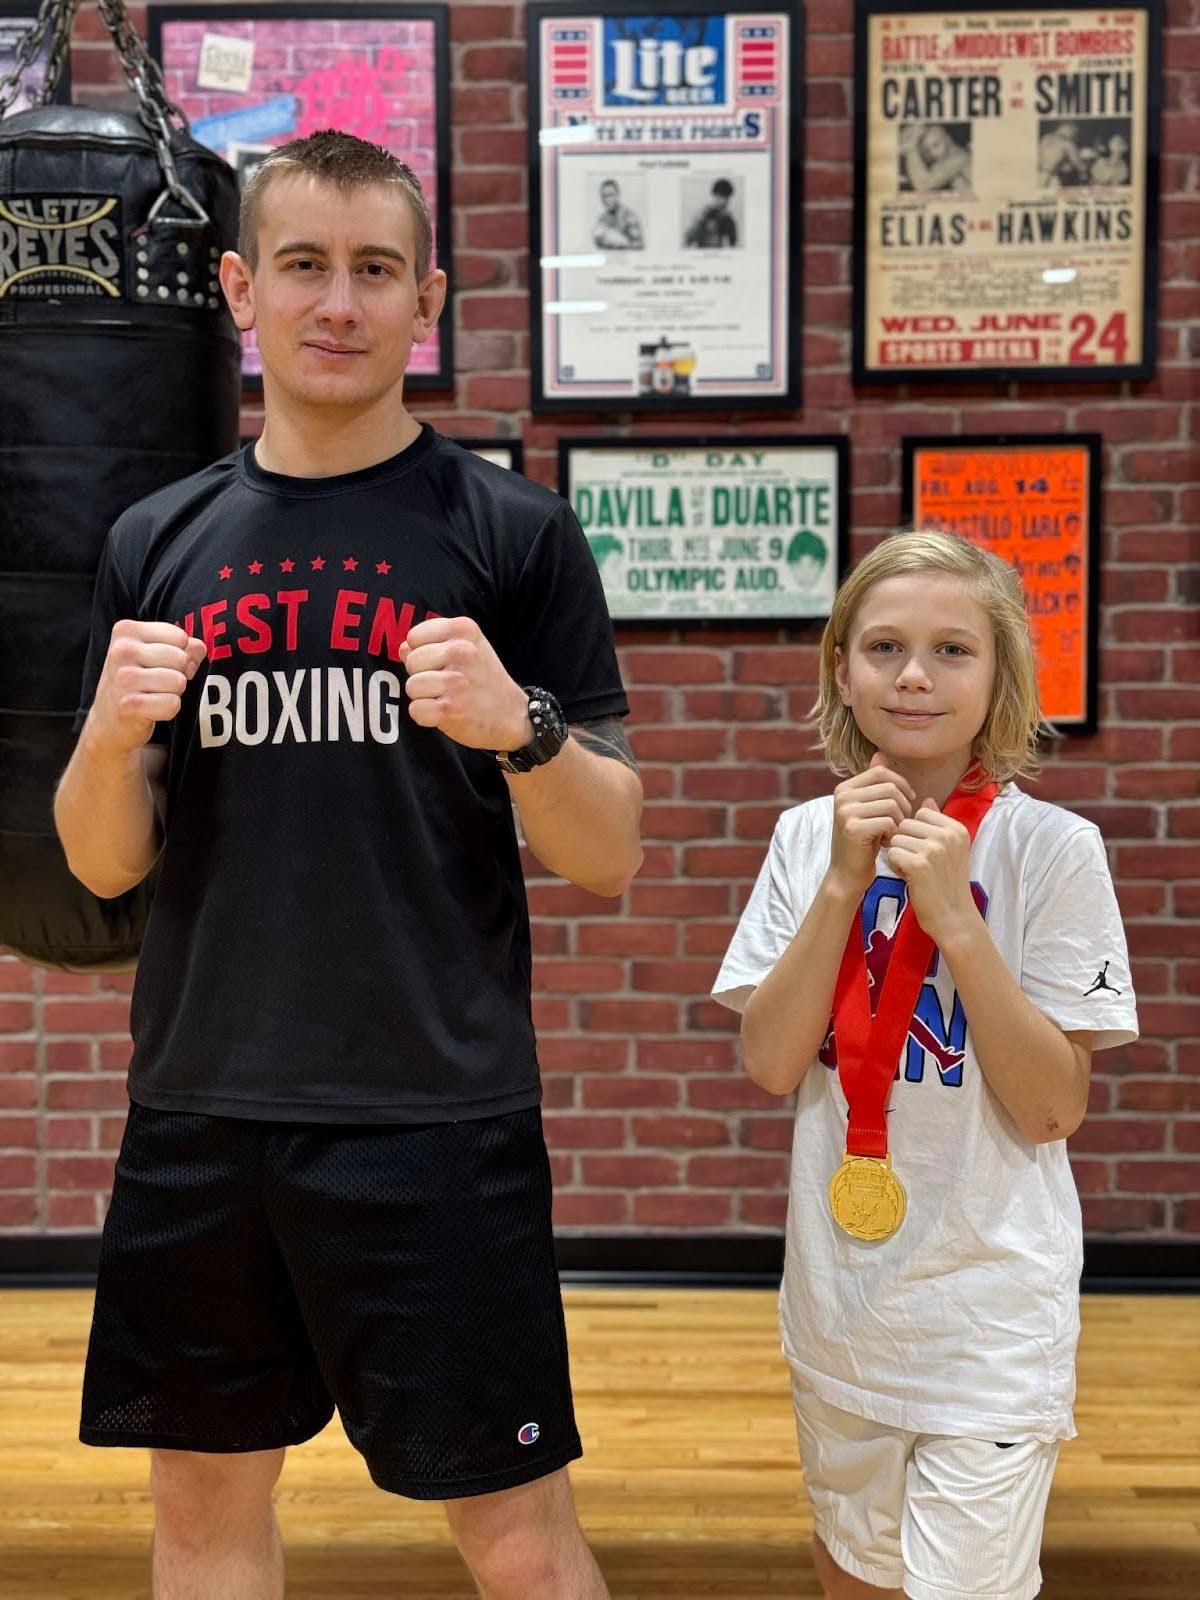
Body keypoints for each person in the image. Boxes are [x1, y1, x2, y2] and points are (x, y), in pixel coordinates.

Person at [54, 129, 643, 1600]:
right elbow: (103, 864)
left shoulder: (512, 531)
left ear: (426, 299)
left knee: (514, 1532)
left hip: (433, 1112)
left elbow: (610, 852)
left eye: (376, 270)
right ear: (239, 289)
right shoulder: (156, 538)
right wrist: (108, 738)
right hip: (202, 1105)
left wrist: (522, 729)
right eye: (304, 265)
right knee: (199, 1515)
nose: (337, 302)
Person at [712, 531, 1137, 1600]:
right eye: (885, 646)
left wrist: (955, 920)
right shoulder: (805, 837)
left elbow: (1052, 1107)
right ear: (841, 669)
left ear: (999, 675)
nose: (913, 675)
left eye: (952, 649)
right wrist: (840, 885)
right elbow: (770, 1062)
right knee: (855, 1570)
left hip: (988, 1317)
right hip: (841, 1305)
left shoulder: (1053, 848)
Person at [898, 124, 971, 192]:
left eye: (936, 145)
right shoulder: (942, 160)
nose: (932, 153)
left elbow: (923, 186)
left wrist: (911, 148)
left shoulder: (959, 156)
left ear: (947, 138)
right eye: (927, 150)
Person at [683, 177, 737, 248]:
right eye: (722, 197)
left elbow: (733, 243)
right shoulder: (703, 214)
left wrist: (730, 224)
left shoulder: (728, 218)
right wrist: (701, 223)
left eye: (727, 198)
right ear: (715, 196)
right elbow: (687, 240)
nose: (725, 201)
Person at [592, 177, 644, 249]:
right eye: (604, 196)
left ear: (617, 195)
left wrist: (621, 242)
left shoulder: (629, 216)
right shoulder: (602, 219)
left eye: (610, 195)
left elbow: (638, 245)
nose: (607, 199)